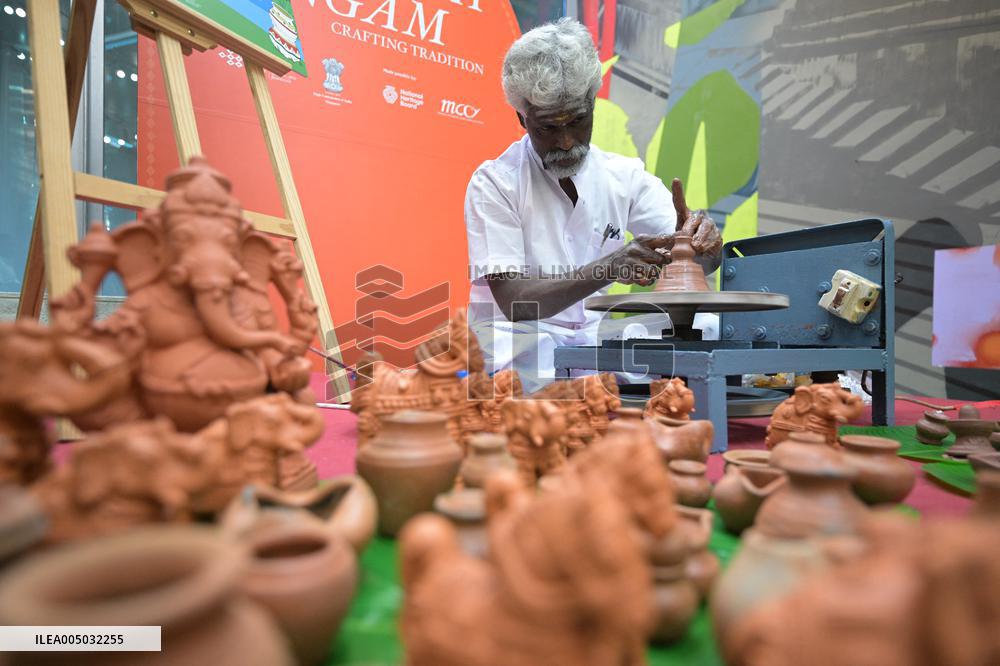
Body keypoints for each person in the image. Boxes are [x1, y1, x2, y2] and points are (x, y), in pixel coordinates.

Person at [465, 18, 723, 392]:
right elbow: (517, 303)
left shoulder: (625, 176)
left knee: (708, 324)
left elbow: (709, 261)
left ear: (593, 105)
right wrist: (609, 268)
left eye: (578, 121)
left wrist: (704, 244)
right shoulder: (494, 182)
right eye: (548, 128)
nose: (567, 142)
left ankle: (593, 381)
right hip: (519, 337)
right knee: (525, 356)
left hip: (593, 337)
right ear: (523, 119)